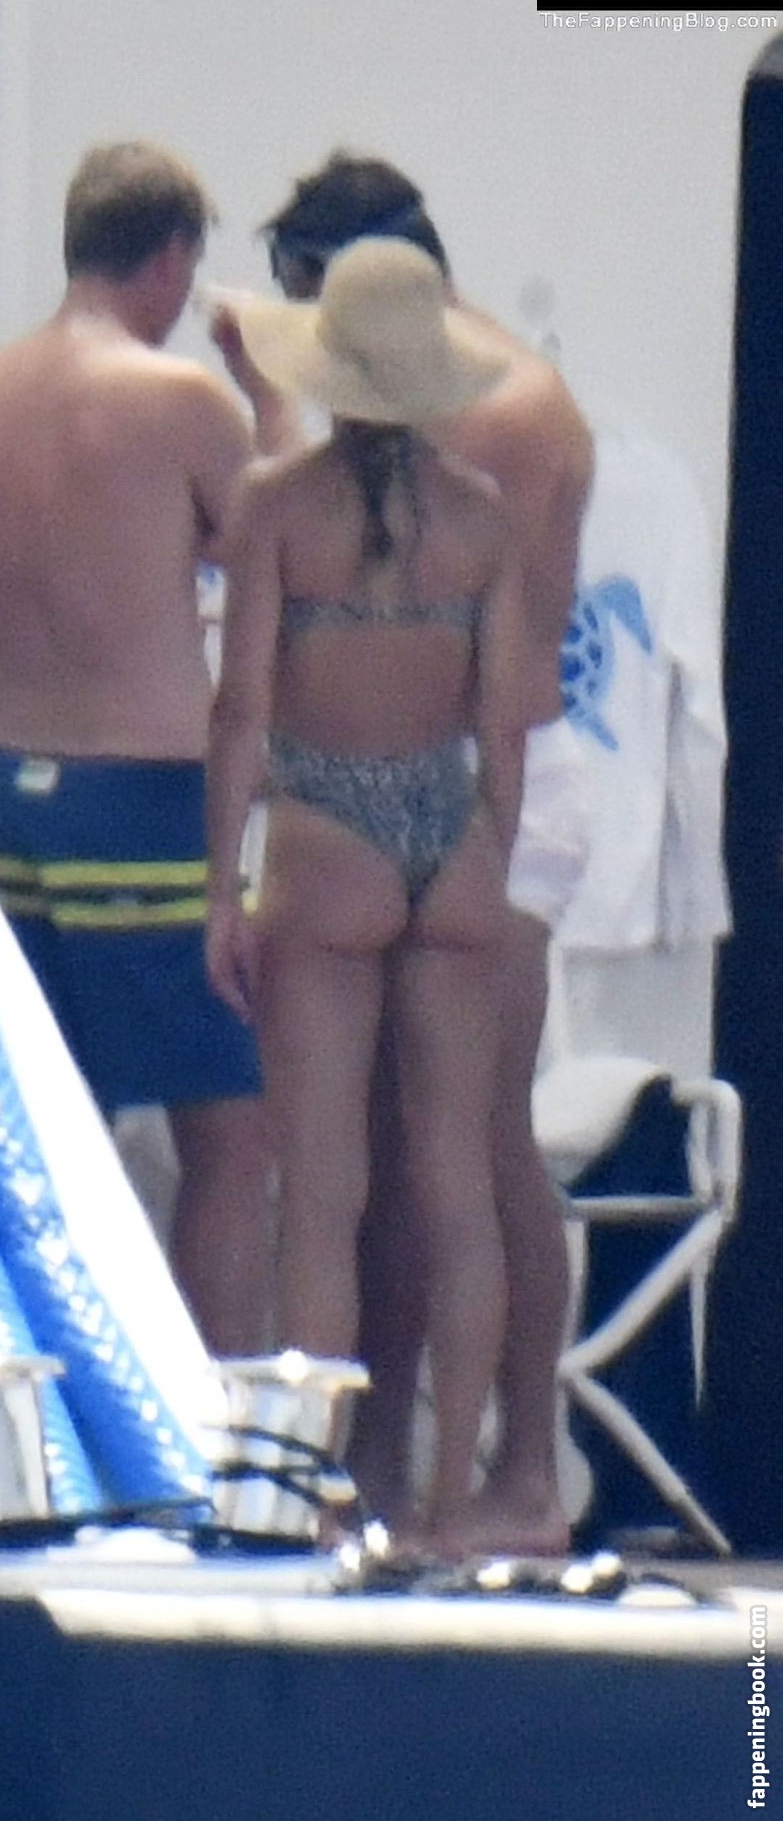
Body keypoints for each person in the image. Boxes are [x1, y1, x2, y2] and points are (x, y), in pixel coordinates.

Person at [243, 153, 594, 1552]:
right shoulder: (506, 401)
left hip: (485, 782)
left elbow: (348, 551)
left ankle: (518, 1475)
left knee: (477, 1147)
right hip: (461, 779)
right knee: (408, 1157)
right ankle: (393, 1463)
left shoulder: (486, 417)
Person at [0, 141, 271, 1354]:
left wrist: (24, 634)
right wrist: (269, 395)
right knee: (229, 1130)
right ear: (171, 257)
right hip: (144, 801)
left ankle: (56, 1390)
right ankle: (210, 1417)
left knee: (54, 1128)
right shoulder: (180, 401)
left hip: (15, 798)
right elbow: (281, 552)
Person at [206, 236, 523, 1555]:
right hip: (449, 830)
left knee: (323, 1193)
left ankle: (311, 1485)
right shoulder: (485, 516)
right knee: (459, 1186)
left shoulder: (276, 505)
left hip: (324, 832)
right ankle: (451, 1501)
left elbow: (241, 711)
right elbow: (501, 725)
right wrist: (487, 854)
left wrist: (222, 888)